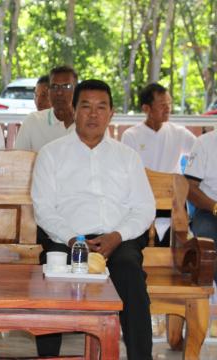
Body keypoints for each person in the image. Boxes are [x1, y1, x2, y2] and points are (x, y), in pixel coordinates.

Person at [31, 80, 155, 360]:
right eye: (86, 106)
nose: (93, 114)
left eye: (101, 107)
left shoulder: (127, 157)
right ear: (74, 110)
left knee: (129, 272)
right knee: (53, 274)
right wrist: (74, 239)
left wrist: (118, 235)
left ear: (111, 113)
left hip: (117, 239)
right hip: (66, 239)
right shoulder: (51, 154)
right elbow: (44, 209)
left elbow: (144, 207)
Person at [122, 83, 195, 246]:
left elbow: (199, 152)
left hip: (173, 202)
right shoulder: (131, 136)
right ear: (146, 109)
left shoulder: (179, 133)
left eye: (169, 104)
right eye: (162, 105)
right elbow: (128, 174)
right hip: (143, 201)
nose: (168, 108)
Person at [14, 65, 77, 152]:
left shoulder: (87, 123)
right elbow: (17, 160)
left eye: (66, 87)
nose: (59, 92)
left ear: (76, 90)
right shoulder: (33, 121)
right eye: (54, 87)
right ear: (49, 92)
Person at [184, 129, 217, 284]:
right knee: (207, 242)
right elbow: (190, 188)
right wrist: (215, 207)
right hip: (210, 210)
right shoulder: (205, 143)